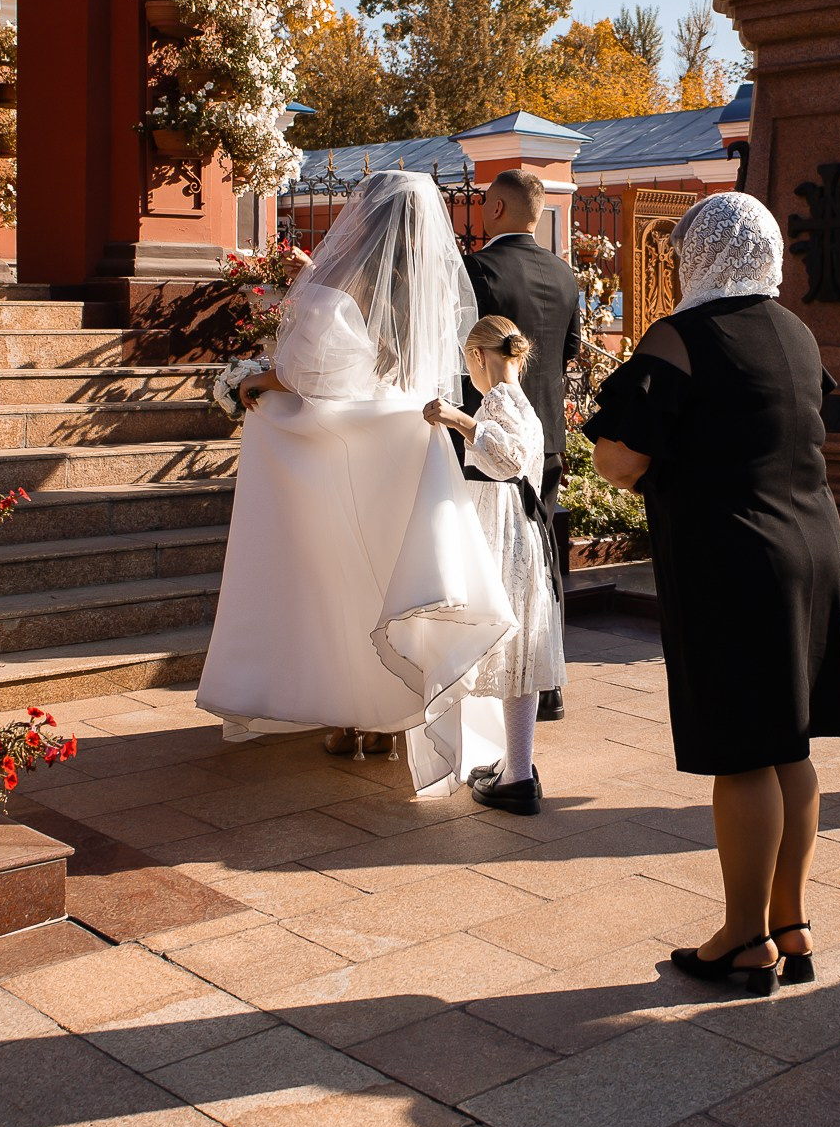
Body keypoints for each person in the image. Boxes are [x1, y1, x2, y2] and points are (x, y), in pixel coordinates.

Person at [582, 192, 840, 995]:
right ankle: (790, 921)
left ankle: (742, 939)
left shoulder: (682, 335)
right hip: (811, 546)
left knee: (738, 754)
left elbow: (617, 460)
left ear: (695, 254)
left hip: (733, 556)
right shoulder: (797, 331)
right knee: (788, 747)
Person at [195, 171, 515, 795]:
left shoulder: (331, 290)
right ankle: (394, 719)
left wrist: (255, 384)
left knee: (338, 576)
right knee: (396, 579)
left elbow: (313, 379)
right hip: (408, 444)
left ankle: (350, 720)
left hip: (345, 446)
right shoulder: (433, 290)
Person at [425, 316, 566, 816]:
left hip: (506, 536)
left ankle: (518, 775)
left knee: (511, 649)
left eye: (469, 362)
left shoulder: (500, 399)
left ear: (480, 357)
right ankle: (517, 769)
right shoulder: (517, 399)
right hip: (518, 533)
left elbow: (507, 459)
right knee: (519, 653)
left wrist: (457, 419)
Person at [462, 171, 581, 724]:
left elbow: (462, 348)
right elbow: (571, 350)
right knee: (541, 557)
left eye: (486, 203)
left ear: (500, 207)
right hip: (547, 438)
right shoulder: (565, 274)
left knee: (492, 560)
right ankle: (548, 684)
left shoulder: (479, 269)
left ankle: (493, 680)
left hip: (488, 438)